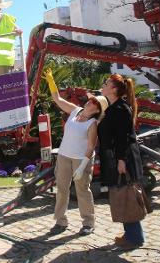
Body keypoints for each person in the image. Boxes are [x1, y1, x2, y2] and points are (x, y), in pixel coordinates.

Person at [43, 67, 107, 236]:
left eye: (94, 103)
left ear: (97, 109)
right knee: (62, 189)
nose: (90, 102)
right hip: (64, 156)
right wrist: (51, 81)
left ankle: (88, 222)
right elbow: (56, 98)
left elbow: (91, 147)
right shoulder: (75, 111)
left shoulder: (92, 124)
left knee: (83, 190)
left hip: (81, 160)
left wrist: (82, 167)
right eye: (91, 100)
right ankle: (60, 221)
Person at [98, 73, 145, 249]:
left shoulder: (120, 109)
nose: (103, 85)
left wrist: (121, 160)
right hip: (117, 157)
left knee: (126, 195)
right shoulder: (113, 107)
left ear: (114, 89)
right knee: (123, 193)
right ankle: (131, 234)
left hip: (122, 158)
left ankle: (134, 237)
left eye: (106, 82)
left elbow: (122, 138)